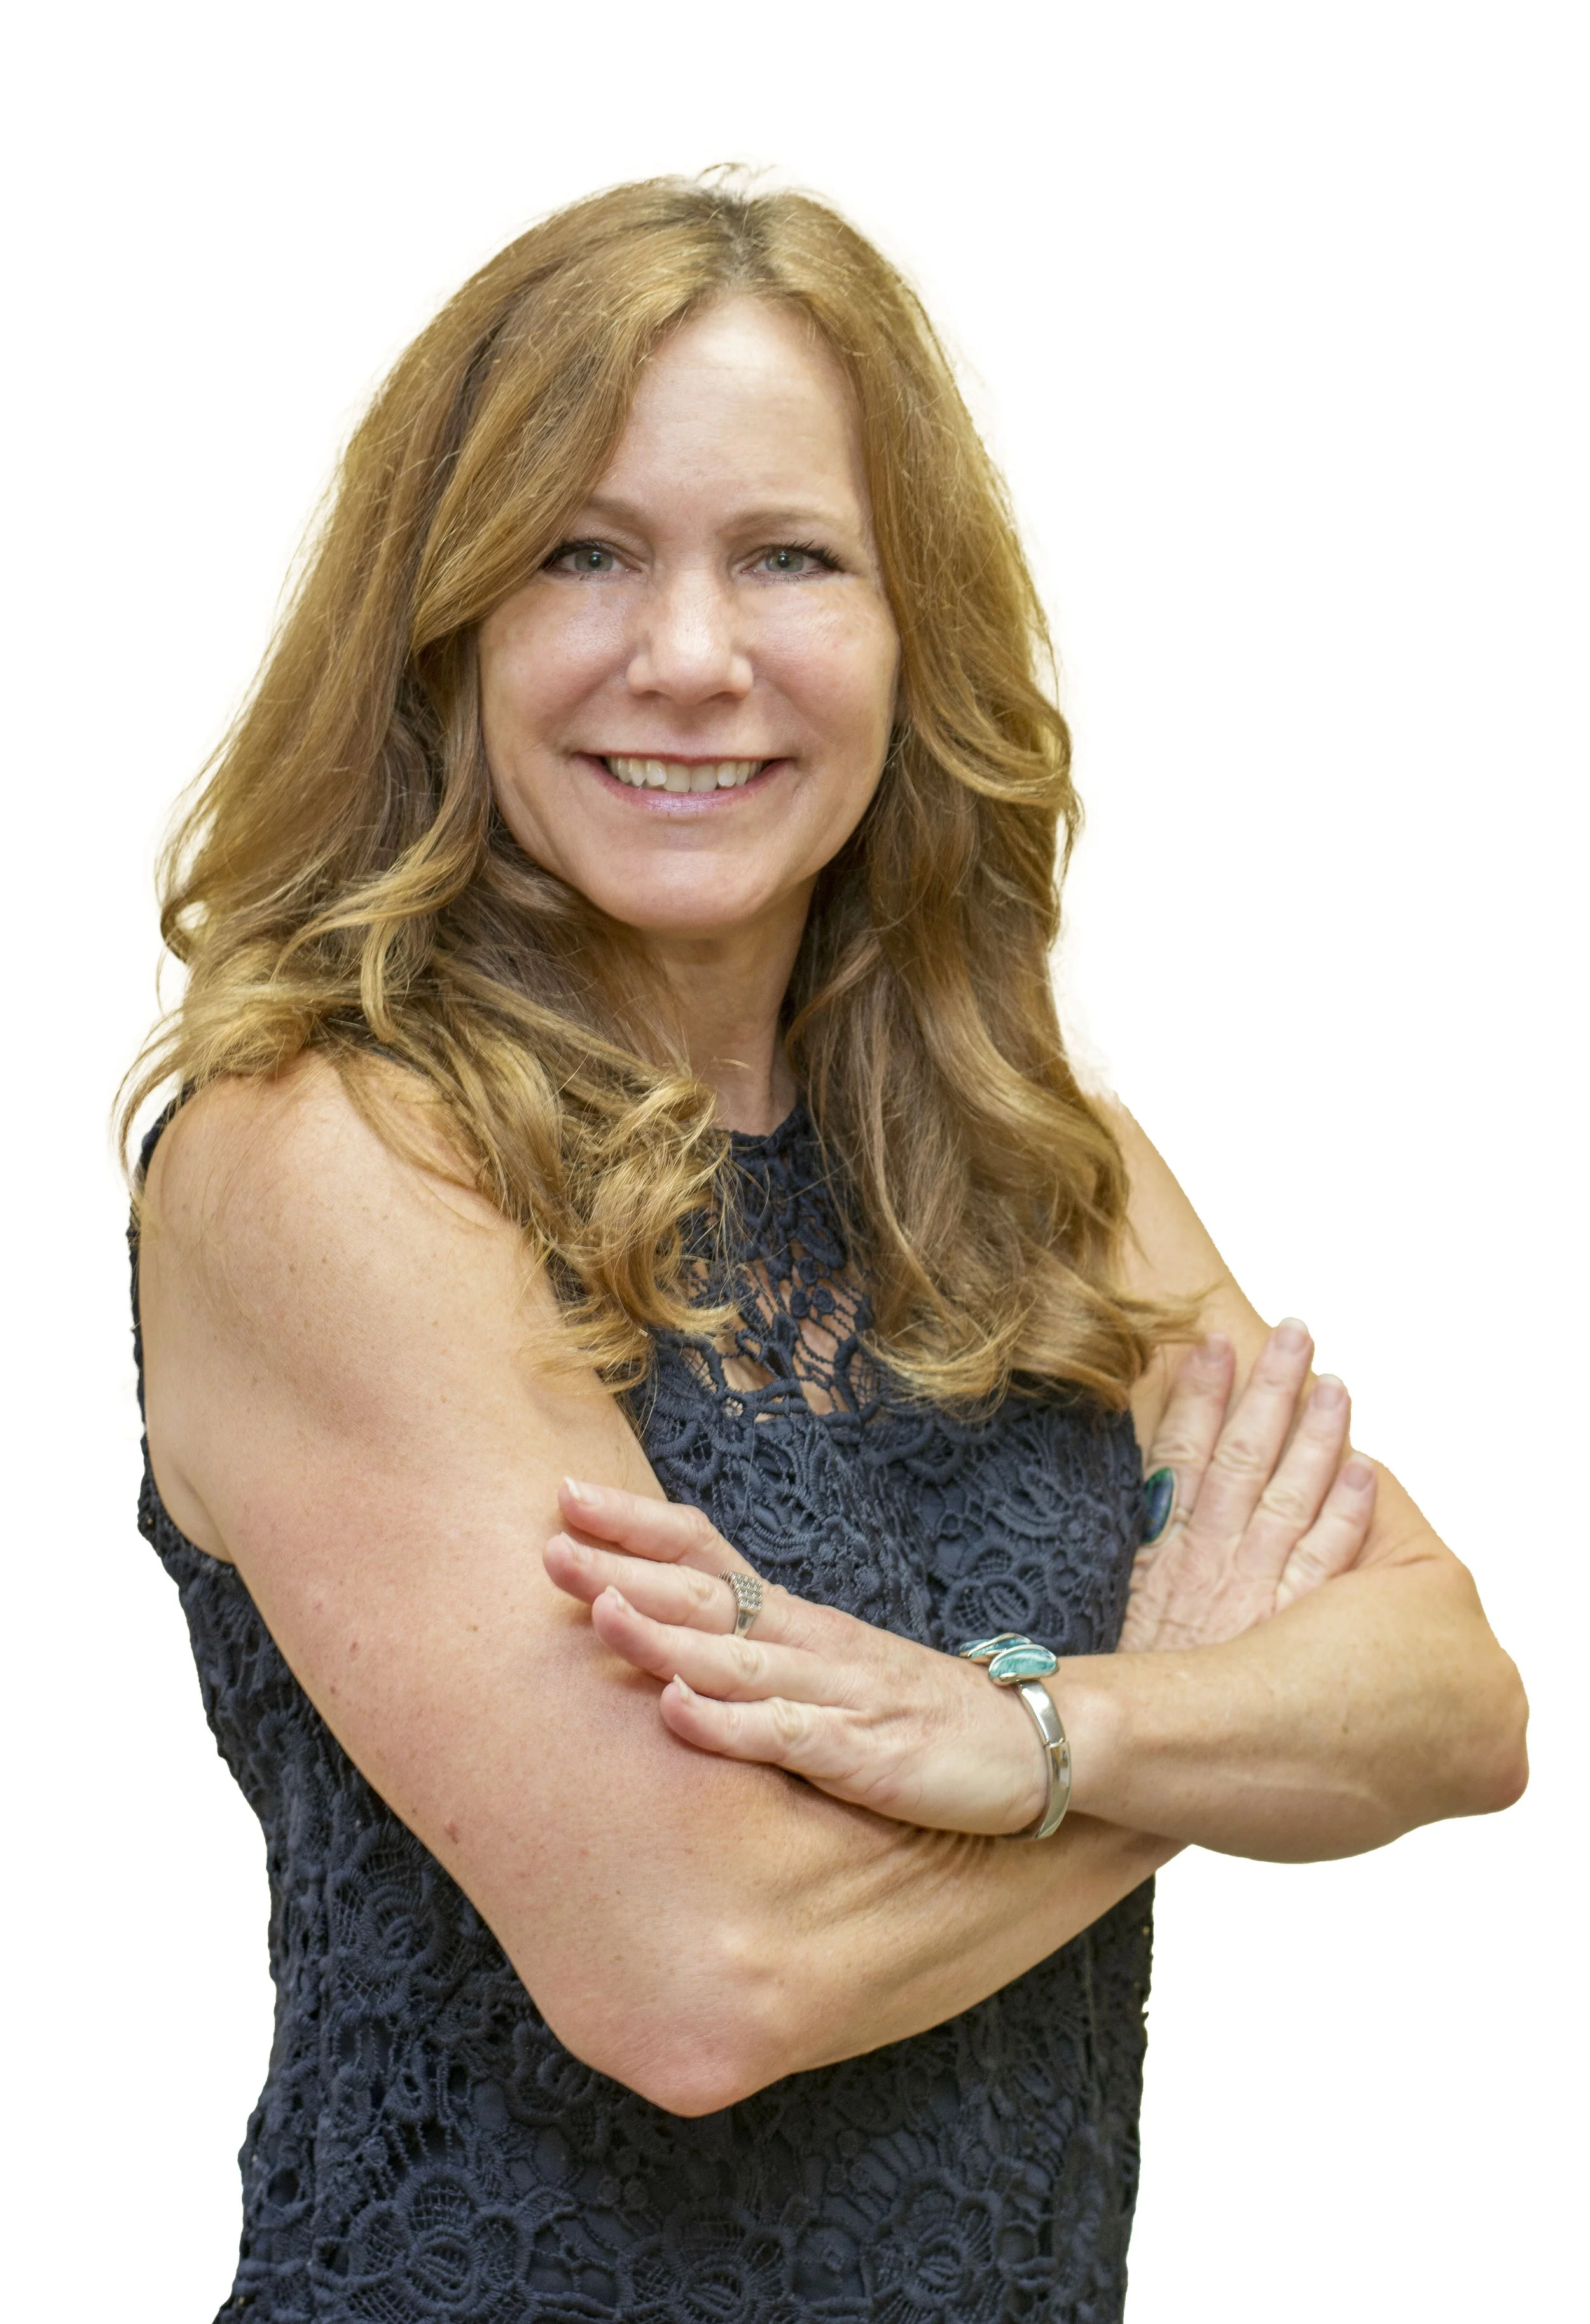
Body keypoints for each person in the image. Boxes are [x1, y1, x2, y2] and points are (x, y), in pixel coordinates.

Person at [127, 175, 1527, 2323]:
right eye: (580, 554)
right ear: (446, 631)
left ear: (908, 635)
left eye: (786, 556)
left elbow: (1452, 1697)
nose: (686, 659)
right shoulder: (327, 1153)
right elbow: (695, 1971)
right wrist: (1175, 1731)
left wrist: (1036, 1734)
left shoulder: (1030, 1161)